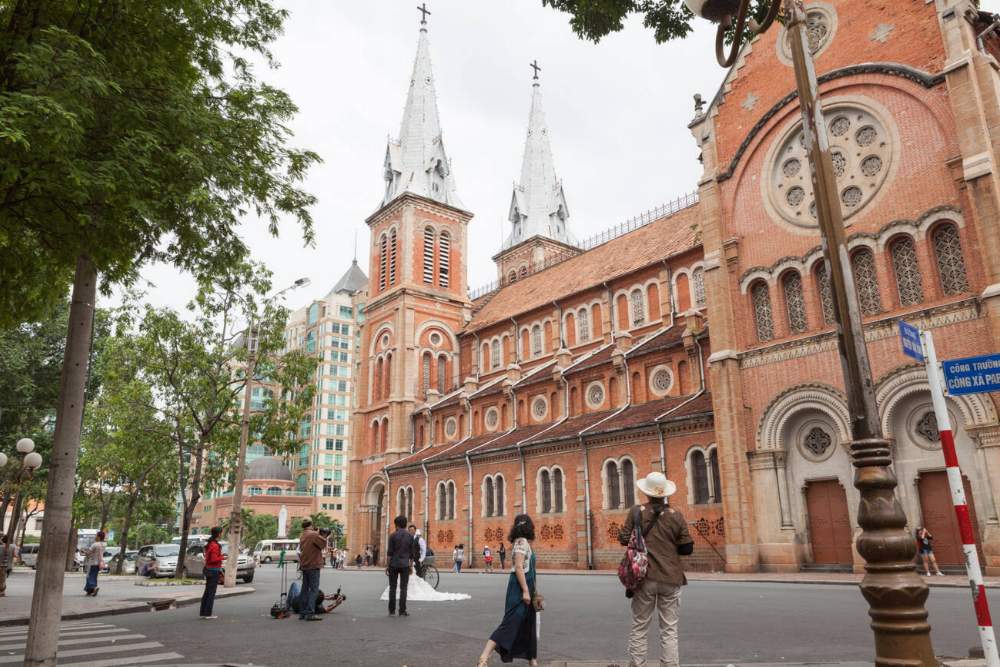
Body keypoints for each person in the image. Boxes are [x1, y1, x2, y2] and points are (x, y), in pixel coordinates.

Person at [619, 472, 694, 667]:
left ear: (647, 492)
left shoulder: (637, 512)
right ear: (664, 493)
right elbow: (687, 548)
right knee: (669, 628)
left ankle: (637, 664)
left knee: (640, 626)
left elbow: (623, 539)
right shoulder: (676, 515)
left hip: (644, 578)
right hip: (672, 577)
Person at [477, 514, 538, 666]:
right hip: (519, 588)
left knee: (528, 625)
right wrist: (525, 590)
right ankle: (484, 657)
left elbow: (528, 569)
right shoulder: (521, 542)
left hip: (526, 587)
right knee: (511, 622)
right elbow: (518, 567)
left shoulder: (523, 543)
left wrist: (533, 592)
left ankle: (533, 662)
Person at [298, 519, 328, 621]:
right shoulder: (313, 535)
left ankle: (302, 613)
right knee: (314, 590)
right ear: (311, 525)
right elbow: (323, 544)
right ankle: (310, 613)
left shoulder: (303, 535)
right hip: (313, 565)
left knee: (304, 589)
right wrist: (323, 535)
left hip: (305, 565)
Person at [386, 515, 414, 616]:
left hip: (393, 564)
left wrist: (387, 566)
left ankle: (391, 610)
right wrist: (410, 566)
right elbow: (412, 554)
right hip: (405, 565)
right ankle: (402, 610)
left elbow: (389, 553)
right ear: (406, 524)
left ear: (396, 525)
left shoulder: (392, 536)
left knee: (392, 588)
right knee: (404, 588)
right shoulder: (410, 536)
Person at [199, 526, 223, 618]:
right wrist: (223, 557)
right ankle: (208, 614)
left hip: (209, 569)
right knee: (211, 592)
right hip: (213, 571)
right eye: (221, 532)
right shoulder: (214, 545)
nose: (221, 534)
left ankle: (203, 613)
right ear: (219, 534)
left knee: (207, 591)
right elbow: (213, 559)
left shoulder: (210, 543)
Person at [83, 531, 106, 597]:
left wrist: (84, 551)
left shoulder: (95, 544)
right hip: (99, 563)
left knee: (89, 576)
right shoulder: (104, 544)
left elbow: (89, 552)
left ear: (98, 537)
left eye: (96, 535)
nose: (95, 537)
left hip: (92, 562)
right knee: (94, 576)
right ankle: (89, 591)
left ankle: (94, 587)